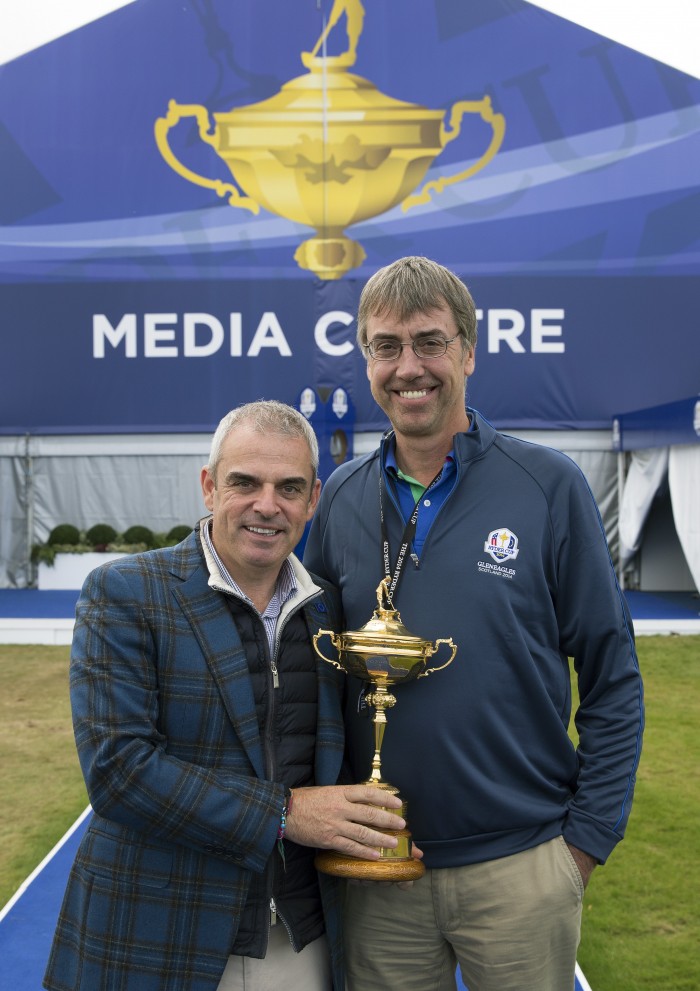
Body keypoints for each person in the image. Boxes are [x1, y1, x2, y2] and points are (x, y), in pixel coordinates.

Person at [303, 257, 645, 991]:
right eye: (386, 347)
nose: (409, 367)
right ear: (365, 358)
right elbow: (314, 671)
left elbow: (613, 677)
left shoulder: (549, 486)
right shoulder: (340, 498)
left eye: (429, 342)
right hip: (379, 869)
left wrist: (583, 844)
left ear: (468, 351)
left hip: (521, 867)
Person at [44, 400, 407, 991]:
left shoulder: (329, 610)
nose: (268, 505)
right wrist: (286, 814)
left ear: (313, 501)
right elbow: (118, 772)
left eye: (289, 488)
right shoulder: (125, 593)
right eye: (246, 482)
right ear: (210, 487)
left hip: (298, 940)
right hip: (159, 936)